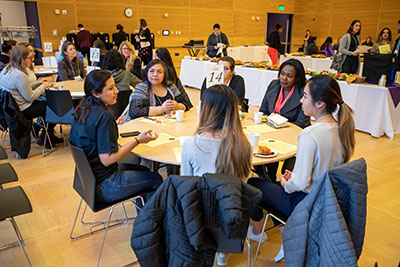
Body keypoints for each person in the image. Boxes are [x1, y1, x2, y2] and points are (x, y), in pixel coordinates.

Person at [249, 74, 355, 262]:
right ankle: (288, 235)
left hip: (305, 201)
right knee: (272, 186)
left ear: (320, 103)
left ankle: (262, 232)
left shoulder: (310, 134)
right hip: (327, 199)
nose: (301, 100)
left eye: (305, 96)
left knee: (253, 184)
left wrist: (285, 182)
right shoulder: (341, 129)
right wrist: (294, 178)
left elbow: (299, 183)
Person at [181, 83, 252, 266]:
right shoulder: (244, 145)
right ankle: (222, 254)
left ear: (205, 110)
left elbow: (185, 186)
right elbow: (243, 181)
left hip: (198, 218)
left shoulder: (191, 144)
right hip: (231, 216)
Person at [69, 70, 163, 204]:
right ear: (96, 93)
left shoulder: (83, 110)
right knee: (155, 179)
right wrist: (137, 140)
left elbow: (93, 137)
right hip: (106, 185)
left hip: (88, 182)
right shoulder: (104, 117)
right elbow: (107, 159)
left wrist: (112, 128)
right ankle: (148, 222)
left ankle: (145, 217)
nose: (117, 91)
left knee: (144, 170)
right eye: (111, 88)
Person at [254, 59, 310, 182]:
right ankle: (268, 178)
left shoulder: (303, 92)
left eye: (289, 76)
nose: (284, 78)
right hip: (269, 131)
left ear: (297, 78)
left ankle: (271, 181)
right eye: (282, 73)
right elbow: (263, 110)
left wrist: (279, 129)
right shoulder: (274, 85)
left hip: (292, 137)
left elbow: (301, 123)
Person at [0, 44, 62, 148]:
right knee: (52, 107)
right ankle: (45, 136)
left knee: (46, 104)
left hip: (9, 109)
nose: (31, 60)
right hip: (22, 109)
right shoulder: (20, 75)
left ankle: (40, 129)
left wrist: (38, 83)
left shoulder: (7, 69)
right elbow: (30, 97)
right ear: (22, 59)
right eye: (29, 58)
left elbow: (23, 87)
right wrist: (43, 86)